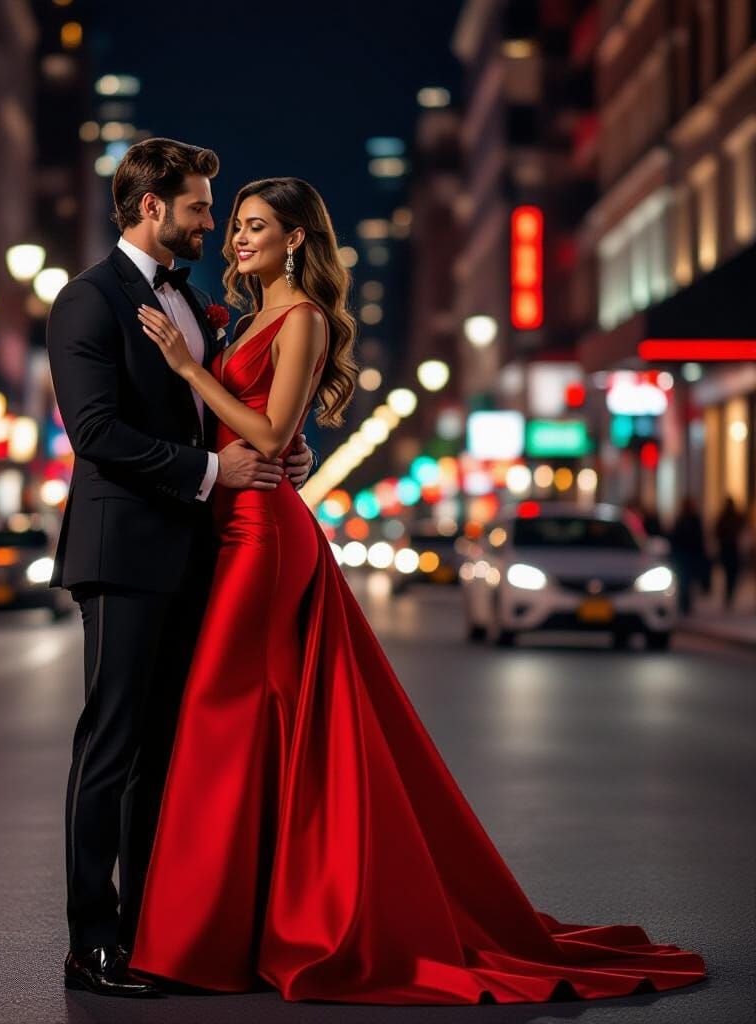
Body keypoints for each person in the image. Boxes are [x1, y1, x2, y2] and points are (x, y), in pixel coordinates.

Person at [128, 176, 707, 1005]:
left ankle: (197, 942)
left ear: (297, 240)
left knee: (221, 713)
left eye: (256, 227)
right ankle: (235, 925)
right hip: (228, 526)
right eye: (236, 227)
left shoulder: (304, 320)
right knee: (253, 724)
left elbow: (271, 433)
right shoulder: (245, 319)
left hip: (264, 535)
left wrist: (188, 366)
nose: (237, 240)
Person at [45, 139, 314, 998]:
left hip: (201, 552)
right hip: (122, 552)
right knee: (113, 742)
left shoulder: (198, 305)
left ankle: (144, 935)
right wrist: (211, 472)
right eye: (200, 207)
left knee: (163, 751)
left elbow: (221, 417)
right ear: (152, 207)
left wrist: (280, 448)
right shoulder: (86, 301)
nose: (212, 222)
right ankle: (90, 942)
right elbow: (96, 435)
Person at [669, 497, 708, 615]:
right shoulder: (682, 519)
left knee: (687, 581)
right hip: (683, 554)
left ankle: (685, 605)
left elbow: (699, 538)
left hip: (690, 554)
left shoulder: (692, 519)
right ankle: (683, 605)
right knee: (684, 581)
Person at [714, 496, 745, 608]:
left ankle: (729, 596)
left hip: (730, 549)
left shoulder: (728, 517)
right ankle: (729, 596)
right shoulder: (729, 517)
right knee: (731, 575)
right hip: (729, 549)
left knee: (730, 575)